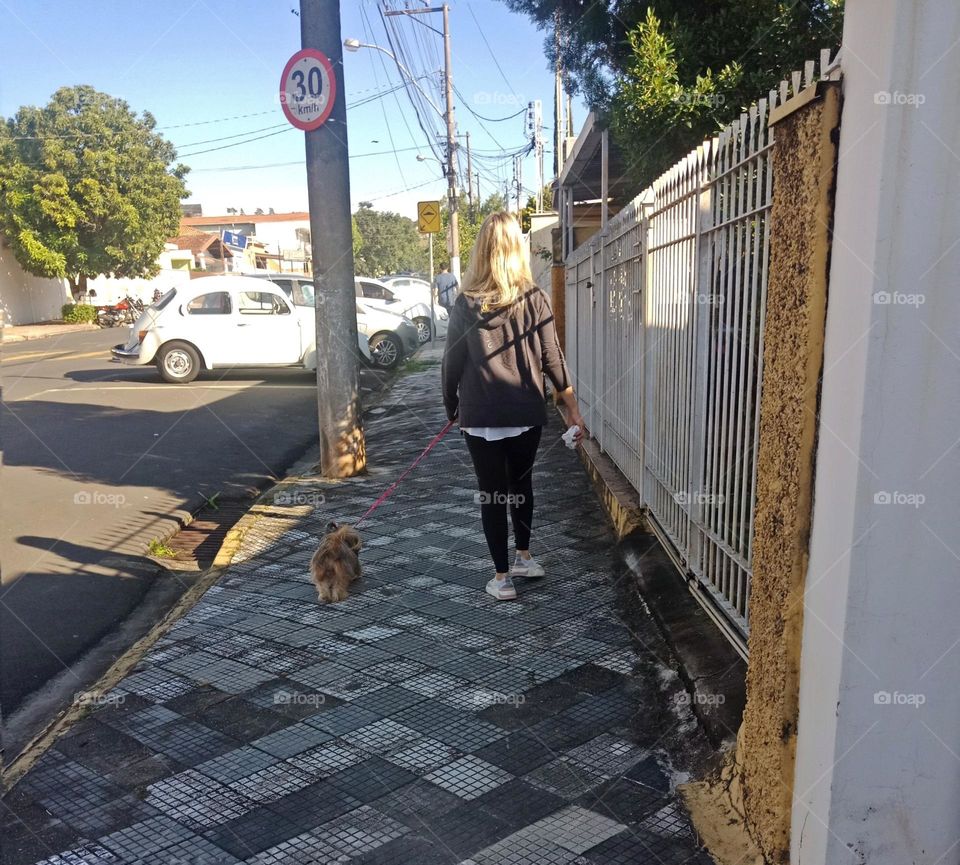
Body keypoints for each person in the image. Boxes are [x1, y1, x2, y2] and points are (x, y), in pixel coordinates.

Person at [442, 212, 585, 601]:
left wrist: (451, 406)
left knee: (491, 494)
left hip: (480, 414)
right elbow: (552, 357)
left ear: (481, 252)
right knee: (520, 486)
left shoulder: (464, 305)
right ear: (516, 251)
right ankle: (523, 555)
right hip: (525, 413)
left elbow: (451, 363)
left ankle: (502, 578)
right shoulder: (533, 298)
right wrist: (571, 407)